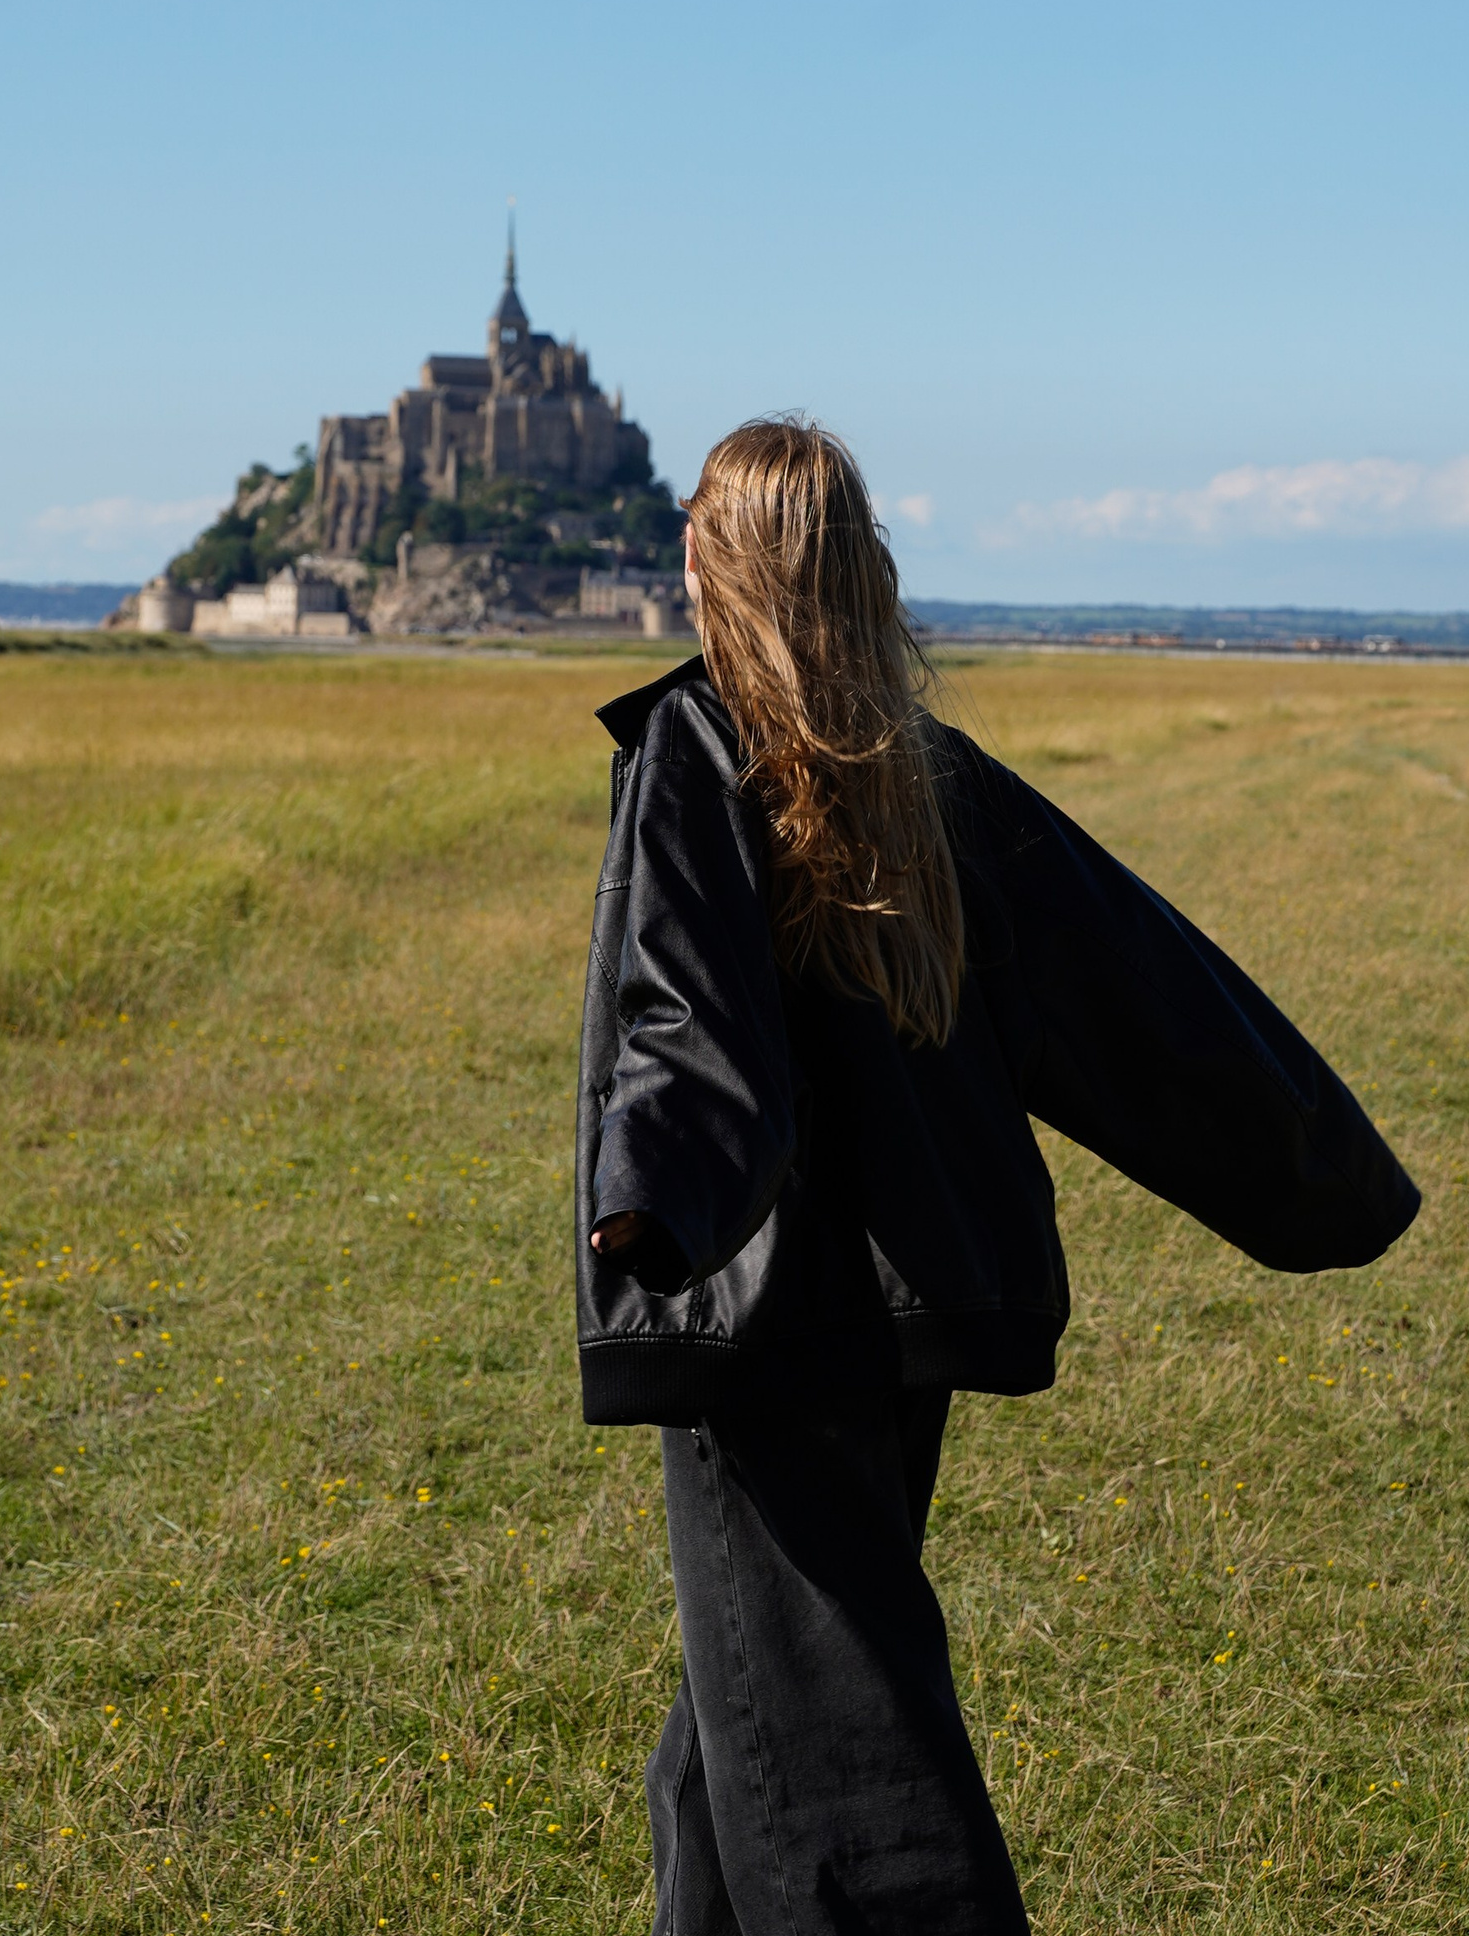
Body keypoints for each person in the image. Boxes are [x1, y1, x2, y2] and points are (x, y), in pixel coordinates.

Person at [576, 417, 1420, 1936]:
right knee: (737, 1740)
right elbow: (1151, 1010)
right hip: (909, 1314)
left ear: (717, 563)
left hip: (763, 1322)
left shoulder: (699, 748)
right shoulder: (919, 766)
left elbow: (692, 1023)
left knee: (843, 1773)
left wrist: (657, 1206)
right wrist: (1319, 1168)